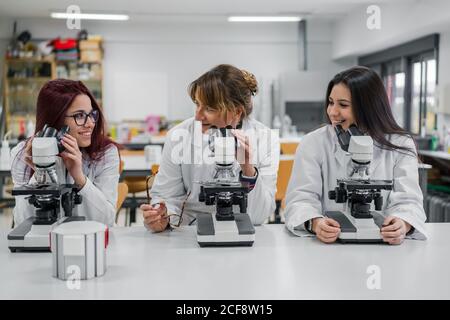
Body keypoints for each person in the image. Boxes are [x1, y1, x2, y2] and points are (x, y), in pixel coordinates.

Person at [284, 66, 427, 244]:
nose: (332, 112)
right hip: (327, 249)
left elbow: (409, 201)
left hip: (383, 247)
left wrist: (403, 223)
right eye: (330, 102)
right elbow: (300, 199)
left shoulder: (400, 143)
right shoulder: (314, 142)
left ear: (369, 107)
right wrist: (315, 222)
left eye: (343, 105)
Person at [141, 64, 279, 232]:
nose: (198, 116)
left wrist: (248, 169)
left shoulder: (265, 138)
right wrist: (162, 215)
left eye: (210, 108)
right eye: (197, 104)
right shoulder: (179, 135)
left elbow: (259, 215)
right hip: (190, 232)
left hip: (243, 229)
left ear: (237, 111)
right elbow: (167, 197)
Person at [11, 79, 120, 227]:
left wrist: (80, 178)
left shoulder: (105, 154)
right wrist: (39, 174)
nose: (90, 124)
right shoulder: (22, 154)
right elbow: (21, 222)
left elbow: (106, 221)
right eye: (79, 116)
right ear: (55, 120)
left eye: (91, 114)